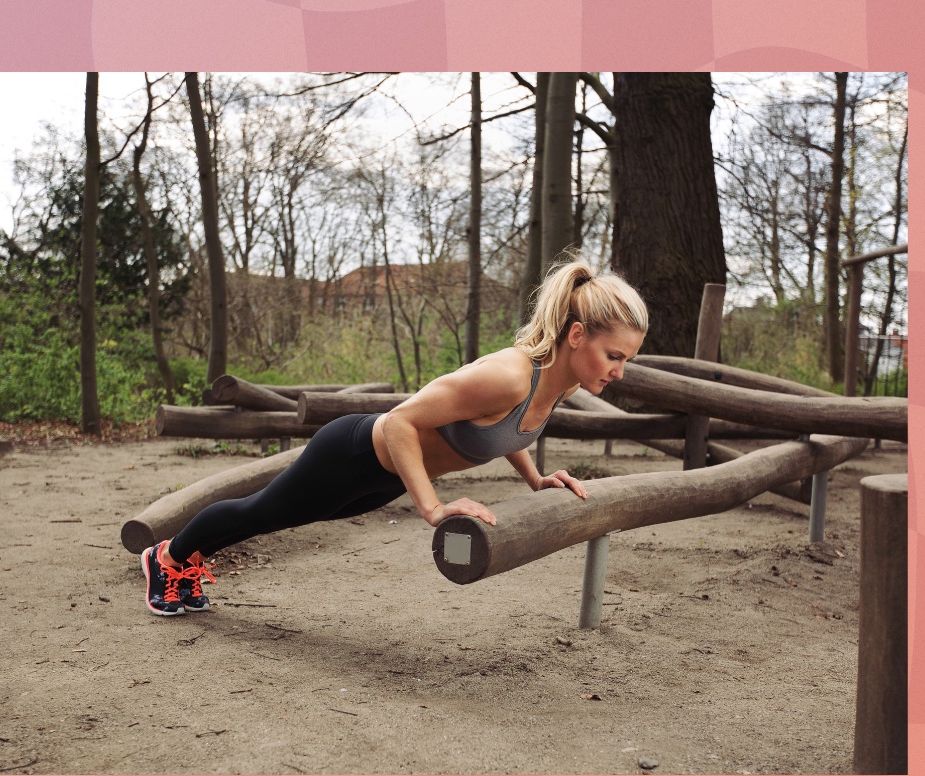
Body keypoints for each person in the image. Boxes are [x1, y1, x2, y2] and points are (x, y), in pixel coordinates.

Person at [141, 257, 649, 615]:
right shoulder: (510, 375)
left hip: (383, 478)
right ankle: (166, 558)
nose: (620, 373)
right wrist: (432, 508)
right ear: (578, 336)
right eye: (615, 356)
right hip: (351, 453)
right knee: (260, 511)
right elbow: (403, 420)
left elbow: (509, 431)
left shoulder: (554, 383)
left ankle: (186, 559)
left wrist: (536, 479)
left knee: (275, 521)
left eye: (627, 359)